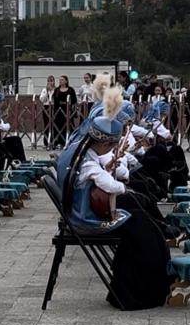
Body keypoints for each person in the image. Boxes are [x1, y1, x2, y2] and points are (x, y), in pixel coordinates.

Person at [57, 85, 172, 310]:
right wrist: (121, 186)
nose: (111, 149)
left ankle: (132, 283)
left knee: (140, 219)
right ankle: (140, 291)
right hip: (86, 218)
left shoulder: (82, 150)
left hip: (84, 211)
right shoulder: (88, 160)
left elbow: (103, 171)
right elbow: (109, 183)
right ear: (102, 142)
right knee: (142, 229)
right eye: (110, 145)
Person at [53, 75, 77, 149]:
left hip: (67, 110)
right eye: (60, 80)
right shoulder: (57, 90)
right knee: (58, 126)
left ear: (66, 81)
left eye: (62, 80)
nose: (61, 81)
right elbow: (54, 100)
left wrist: (73, 109)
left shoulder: (70, 89)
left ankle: (70, 140)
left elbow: (74, 100)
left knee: (68, 125)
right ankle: (59, 142)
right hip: (58, 111)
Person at [39, 75, 55, 149]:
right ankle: (46, 141)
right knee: (47, 124)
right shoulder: (44, 90)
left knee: (54, 124)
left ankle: (54, 140)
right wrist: (47, 91)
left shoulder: (56, 89)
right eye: (49, 81)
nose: (50, 82)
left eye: (52, 81)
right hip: (46, 106)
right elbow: (42, 99)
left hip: (54, 107)